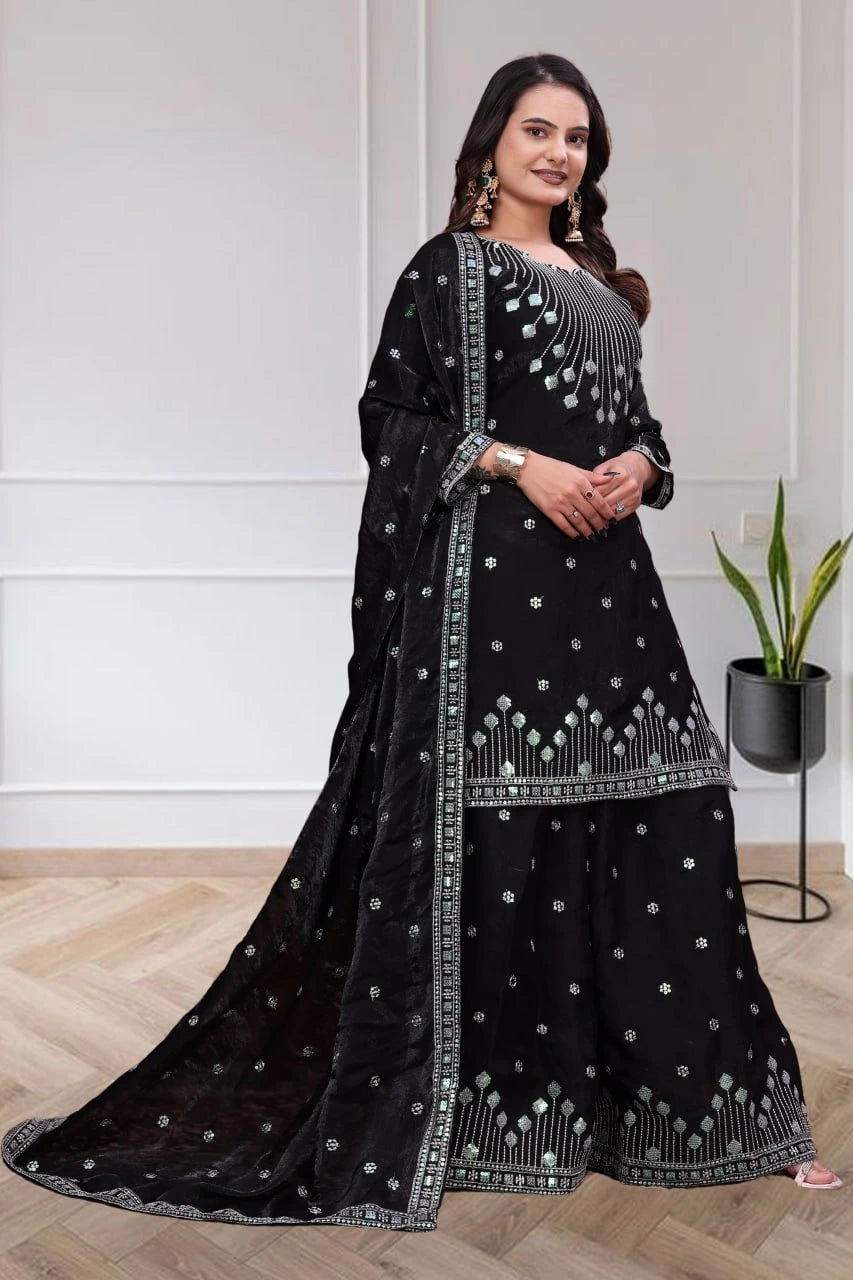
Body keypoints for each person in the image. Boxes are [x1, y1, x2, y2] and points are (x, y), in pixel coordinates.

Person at [1, 54, 840, 1232]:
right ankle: (478, 1111)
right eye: (539, 130)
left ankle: (710, 1110)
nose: (560, 153)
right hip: (492, 588)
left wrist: (642, 462)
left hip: (609, 584)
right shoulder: (450, 269)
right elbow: (389, 415)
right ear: (492, 140)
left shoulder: (603, 282)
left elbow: (635, 421)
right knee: (497, 825)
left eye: (578, 139)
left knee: (666, 810)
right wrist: (516, 463)